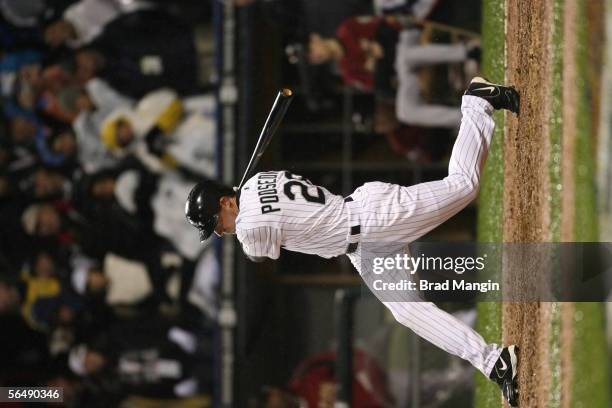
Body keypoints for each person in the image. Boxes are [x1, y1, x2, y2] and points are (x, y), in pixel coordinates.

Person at [185, 77, 521, 406]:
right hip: (364, 244)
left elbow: (258, 256)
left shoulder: (248, 226)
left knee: (463, 186)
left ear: (227, 203)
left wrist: (244, 227)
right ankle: (494, 362)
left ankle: (476, 102)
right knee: (409, 311)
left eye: (216, 223)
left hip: (376, 218)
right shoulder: (258, 180)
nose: (219, 231)